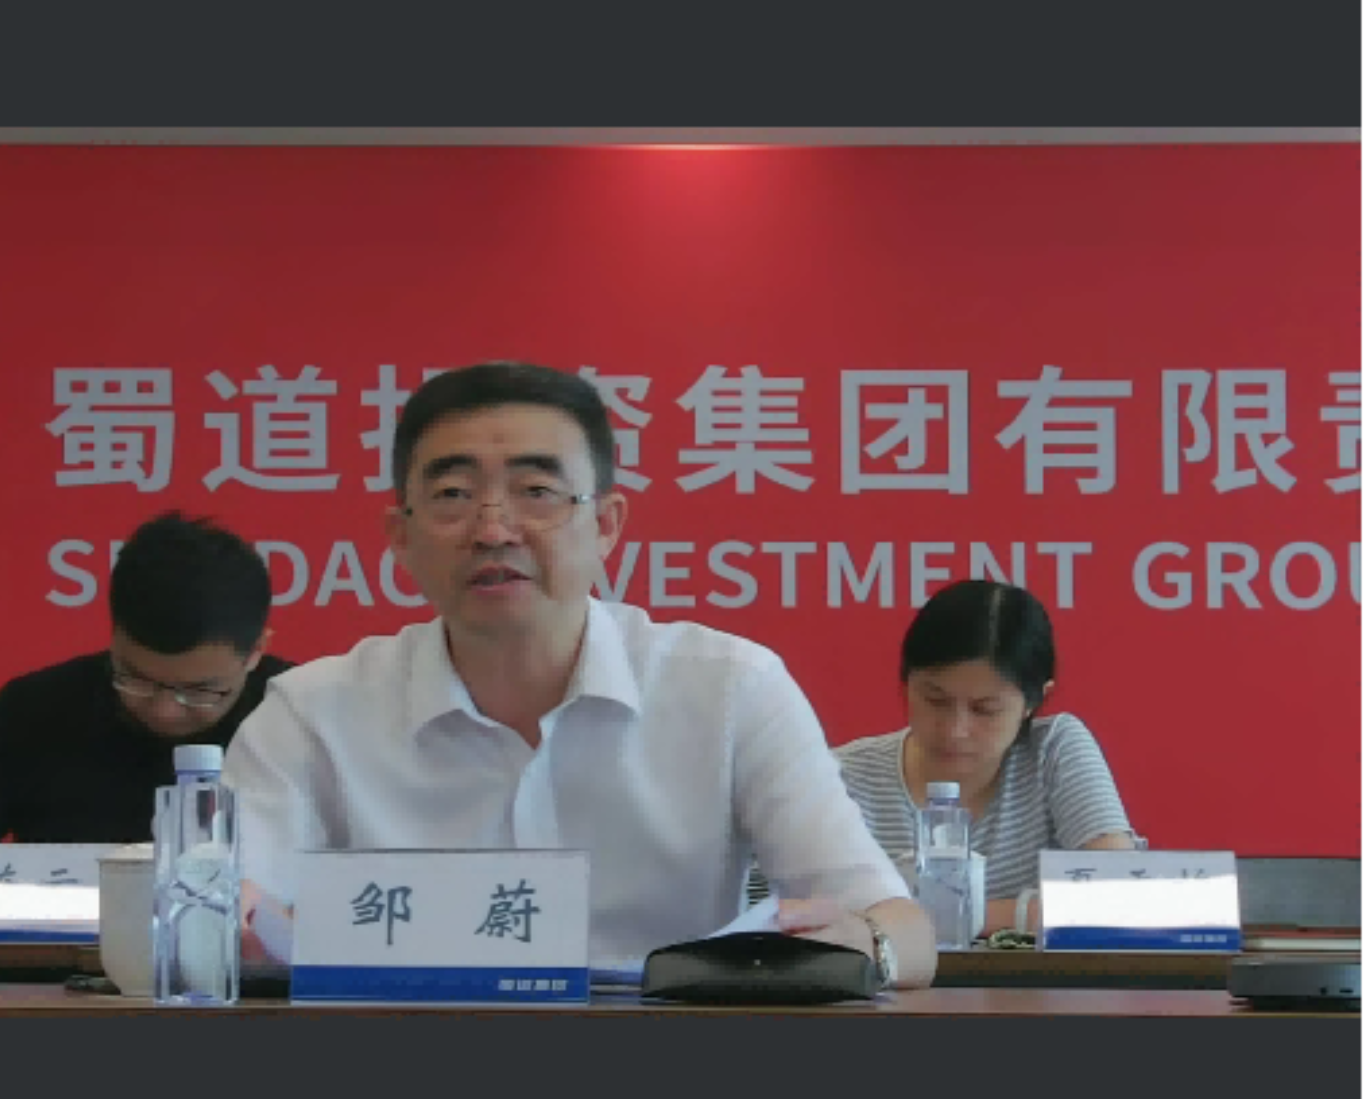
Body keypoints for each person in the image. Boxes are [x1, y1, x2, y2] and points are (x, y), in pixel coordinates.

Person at [223, 361, 936, 988]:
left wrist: (866, 943)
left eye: (537, 491)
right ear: (400, 537)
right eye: (453, 495)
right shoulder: (311, 714)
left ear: (606, 524)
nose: (493, 530)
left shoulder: (729, 689)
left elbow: (902, 930)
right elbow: (231, 912)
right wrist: (232, 924)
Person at [0, 510, 293, 929]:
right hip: (54, 963)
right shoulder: (36, 709)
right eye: (136, 679)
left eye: (200, 691)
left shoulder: (298, 718)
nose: (164, 710)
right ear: (114, 635)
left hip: (245, 966)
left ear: (256, 651)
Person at [833, 578, 1137, 940]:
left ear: (1033, 702)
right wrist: (1031, 913)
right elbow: (797, 915)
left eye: (985, 709)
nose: (955, 730)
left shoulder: (1053, 749)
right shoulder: (842, 777)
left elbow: (1120, 894)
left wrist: (949, 917)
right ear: (905, 683)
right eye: (935, 701)